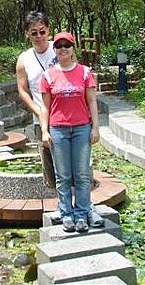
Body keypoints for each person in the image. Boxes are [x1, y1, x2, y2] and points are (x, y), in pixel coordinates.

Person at [39, 31, 100, 233]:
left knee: (82, 174)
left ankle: (82, 214)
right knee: (63, 175)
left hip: (82, 128)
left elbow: (91, 101)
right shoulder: (48, 75)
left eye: (67, 45)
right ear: (54, 49)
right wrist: (45, 131)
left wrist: (96, 128)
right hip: (58, 130)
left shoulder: (84, 72)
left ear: (73, 48)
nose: (63, 48)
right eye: (58, 45)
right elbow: (45, 107)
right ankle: (66, 214)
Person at [16, 11, 57, 189]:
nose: (39, 36)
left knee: (76, 164)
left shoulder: (61, 48)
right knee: (49, 167)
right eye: (34, 33)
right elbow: (22, 91)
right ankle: (58, 204)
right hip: (41, 119)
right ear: (27, 34)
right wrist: (39, 113)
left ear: (48, 30)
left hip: (68, 117)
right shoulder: (24, 60)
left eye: (42, 31)